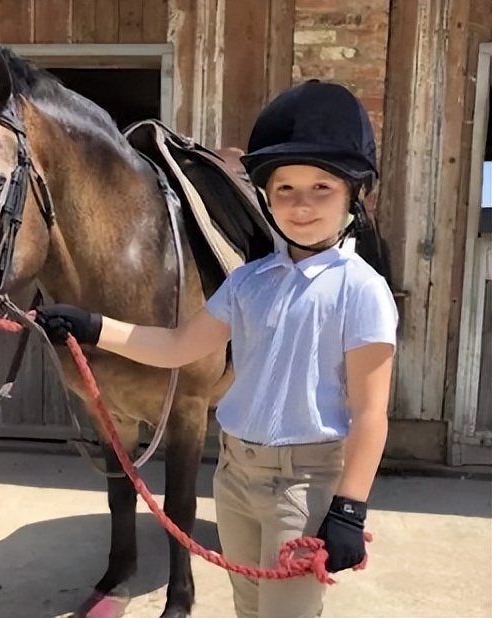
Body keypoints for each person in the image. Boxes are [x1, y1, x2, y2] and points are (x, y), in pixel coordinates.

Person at [35, 79, 398, 618]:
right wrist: (93, 326)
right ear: (266, 198)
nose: (301, 206)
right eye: (285, 190)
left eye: (321, 188)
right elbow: (179, 345)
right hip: (234, 478)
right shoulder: (249, 282)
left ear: (352, 193)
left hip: (301, 483)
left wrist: (348, 507)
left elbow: (372, 413)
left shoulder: (361, 289)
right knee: (248, 609)